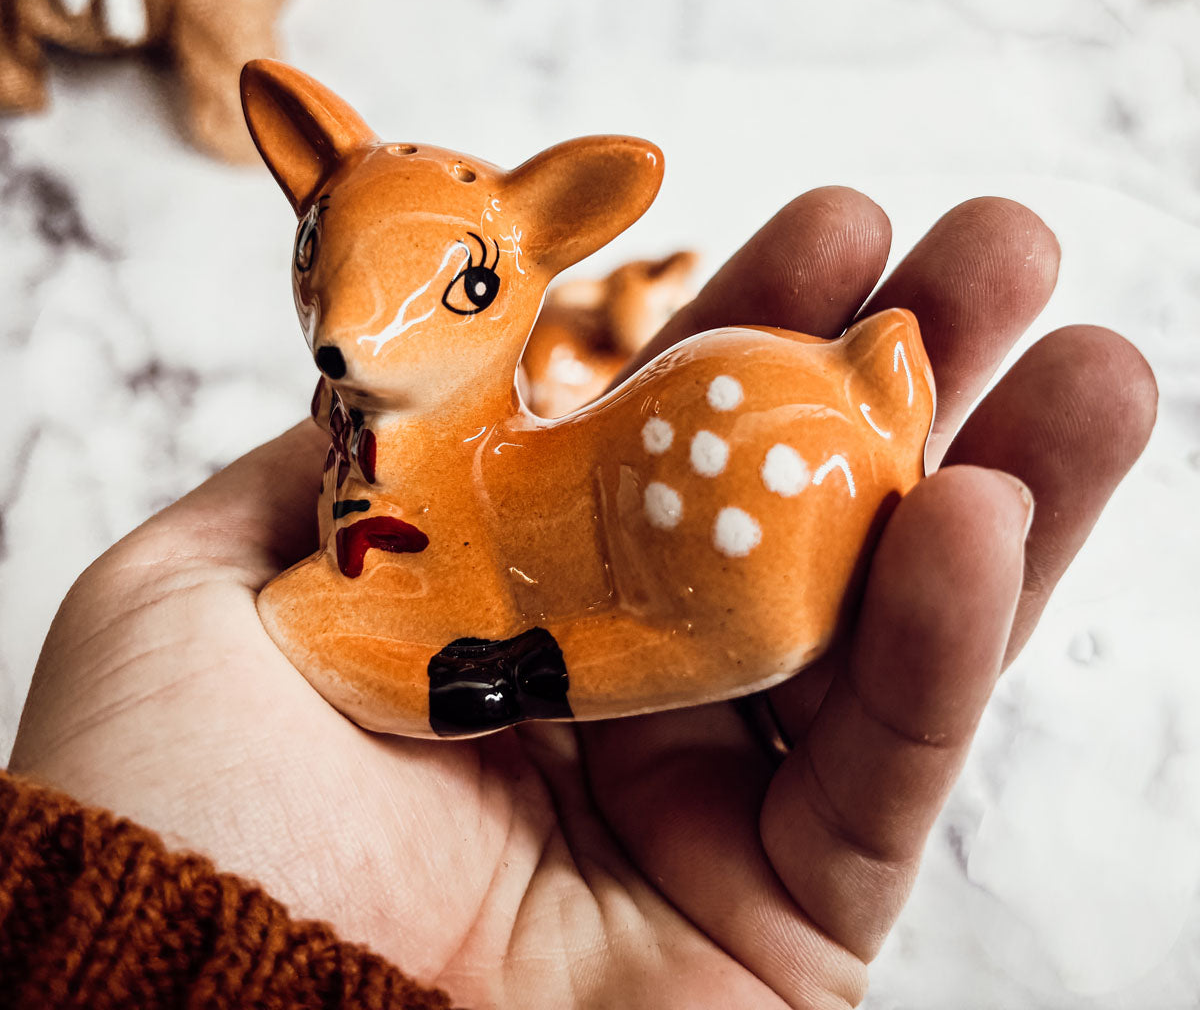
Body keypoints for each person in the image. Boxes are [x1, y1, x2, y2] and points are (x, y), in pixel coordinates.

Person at [1, 188, 1156, 1008]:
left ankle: (535, 667)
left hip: (753, 498)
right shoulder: (407, 464)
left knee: (524, 626)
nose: (356, 338)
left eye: (453, 291)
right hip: (770, 450)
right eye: (325, 261)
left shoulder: (453, 502)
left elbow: (352, 622)